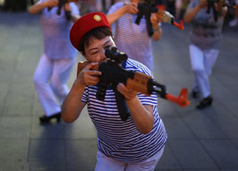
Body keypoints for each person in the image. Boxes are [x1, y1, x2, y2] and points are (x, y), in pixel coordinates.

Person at [62, 12, 167, 170]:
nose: (104, 56)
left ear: (114, 40)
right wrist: (79, 83)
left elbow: (146, 127)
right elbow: (68, 117)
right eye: (94, 52)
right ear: (84, 55)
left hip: (145, 152)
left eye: (108, 47)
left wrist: (131, 99)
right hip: (109, 152)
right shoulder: (88, 76)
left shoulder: (138, 72)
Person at [28, 0, 80, 123]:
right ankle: (54, 111)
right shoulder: (44, 1)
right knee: (38, 79)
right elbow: (31, 10)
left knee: (57, 85)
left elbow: (77, 21)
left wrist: (68, 12)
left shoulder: (70, 3)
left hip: (65, 52)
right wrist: (47, 3)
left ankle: (72, 105)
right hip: (49, 51)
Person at [183, 0, 227, 109]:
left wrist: (220, 7)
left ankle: (196, 88)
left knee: (204, 72)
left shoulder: (220, 4)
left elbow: (224, 11)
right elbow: (187, 19)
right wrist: (198, 8)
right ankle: (207, 96)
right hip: (195, 43)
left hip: (213, 45)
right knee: (197, 68)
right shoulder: (195, 3)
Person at [106, 0, 162, 72]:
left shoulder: (150, 10)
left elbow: (156, 37)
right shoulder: (118, 7)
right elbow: (104, 23)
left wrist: (155, 23)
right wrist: (124, 10)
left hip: (144, 64)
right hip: (121, 62)